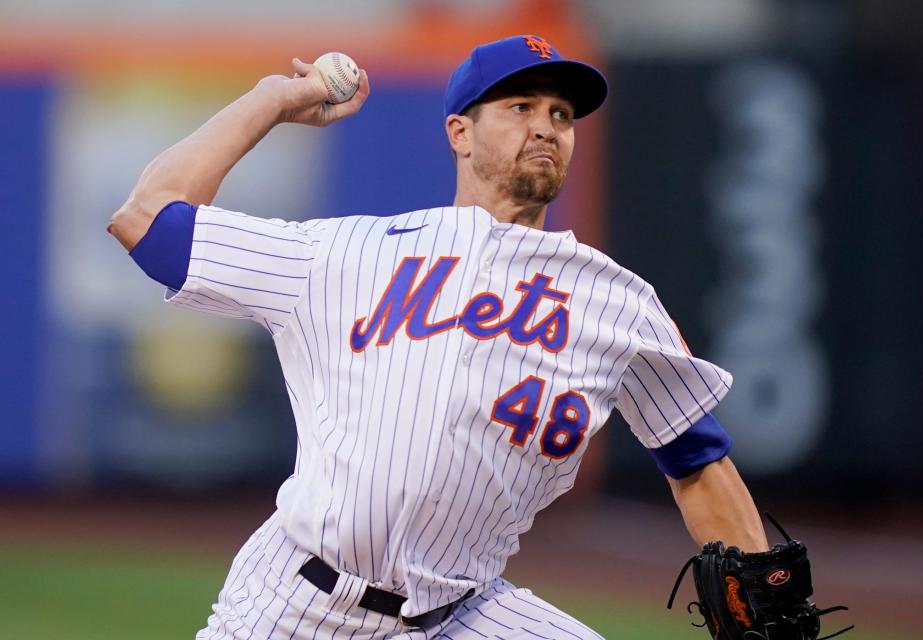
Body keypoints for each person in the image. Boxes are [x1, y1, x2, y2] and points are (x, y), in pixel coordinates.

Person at [109, 34, 768, 640]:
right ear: (460, 131)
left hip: (463, 613)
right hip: (300, 603)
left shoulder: (617, 302)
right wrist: (273, 99)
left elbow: (699, 461)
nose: (546, 125)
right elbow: (148, 216)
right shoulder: (343, 254)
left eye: (562, 115)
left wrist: (759, 589)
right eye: (520, 106)